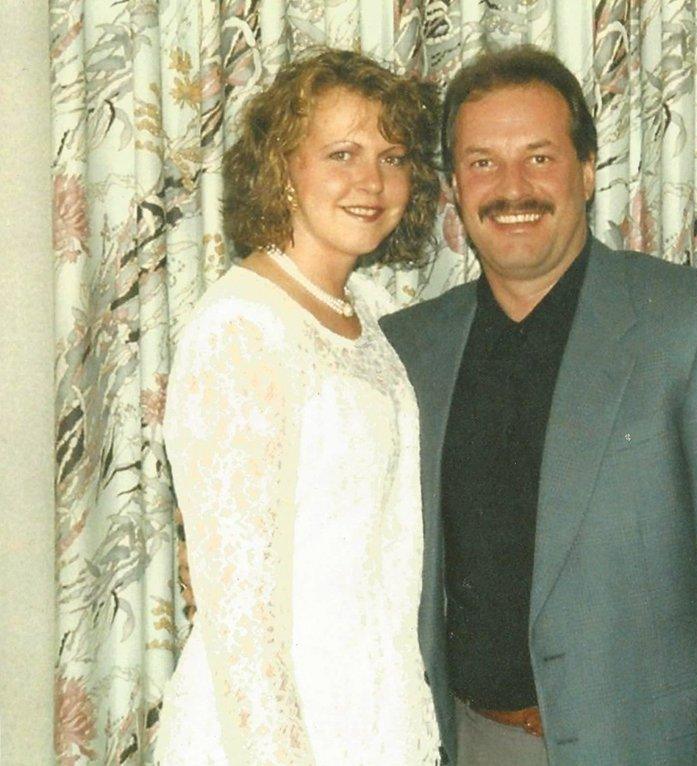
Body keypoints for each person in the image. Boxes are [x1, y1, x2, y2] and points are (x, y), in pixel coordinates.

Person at [380, 45, 697, 766]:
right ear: (454, 186)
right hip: (463, 744)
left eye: (540, 157)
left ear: (586, 170)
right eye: (483, 162)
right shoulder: (407, 349)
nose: (511, 187)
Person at [155, 49, 441, 765]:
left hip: (373, 719)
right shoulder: (242, 327)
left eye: (392, 156)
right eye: (341, 154)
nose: (372, 182)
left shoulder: (365, 312)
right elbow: (239, 617)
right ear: (283, 168)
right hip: (270, 736)